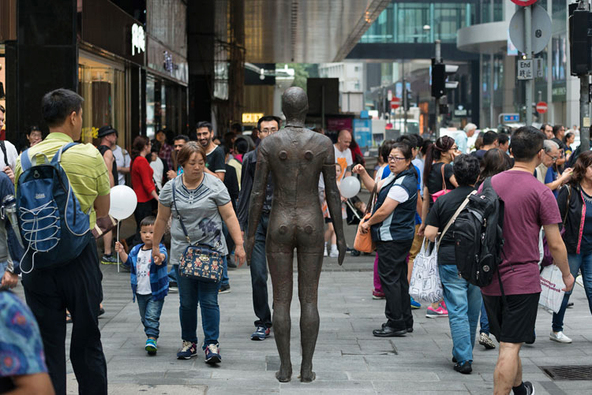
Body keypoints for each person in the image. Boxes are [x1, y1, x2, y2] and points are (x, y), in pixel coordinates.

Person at [245, 87, 346, 382]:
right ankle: (306, 368)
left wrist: (250, 236)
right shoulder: (323, 143)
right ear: (306, 109)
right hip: (311, 220)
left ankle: (285, 366)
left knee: (280, 300)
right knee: (310, 300)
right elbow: (333, 194)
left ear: (284, 111)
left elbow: (256, 194)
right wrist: (340, 236)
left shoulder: (269, 144)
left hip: (279, 221)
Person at [14, 88, 109, 394]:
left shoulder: (23, 159)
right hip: (79, 257)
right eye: (80, 116)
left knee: (47, 345)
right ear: (72, 116)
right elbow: (103, 210)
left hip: (37, 261)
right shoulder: (88, 153)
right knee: (87, 342)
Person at [481, 126, 574, 395]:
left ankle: (520, 388)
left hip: (489, 277)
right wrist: (567, 275)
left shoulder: (487, 184)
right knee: (509, 346)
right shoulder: (540, 191)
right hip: (522, 280)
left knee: (510, 341)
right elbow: (555, 243)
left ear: (510, 151)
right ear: (540, 154)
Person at [152, 142, 245, 364]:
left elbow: (230, 216)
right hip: (182, 253)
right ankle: (188, 342)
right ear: (182, 163)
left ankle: (211, 344)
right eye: (192, 163)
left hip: (211, 251)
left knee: (209, 300)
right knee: (186, 301)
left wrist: (239, 245)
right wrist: (155, 245)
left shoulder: (215, 185)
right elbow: (162, 219)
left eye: (201, 163)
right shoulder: (170, 188)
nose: (197, 167)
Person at [425, 154, 482, 374]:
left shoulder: (444, 200)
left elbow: (430, 234)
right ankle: (463, 351)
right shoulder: (485, 198)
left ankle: (463, 357)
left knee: (457, 309)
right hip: (477, 261)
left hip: (450, 260)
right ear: (478, 175)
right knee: (472, 310)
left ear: (454, 176)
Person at [354, 142, 418, 337]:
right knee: (398, 279)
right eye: (390, 157)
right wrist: (363, 173)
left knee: (390, 279)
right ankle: (405, 320)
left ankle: (395, 322)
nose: (392, 161)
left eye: (397, 158)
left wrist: (368, 223)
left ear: (408, 161)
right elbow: (375, 187)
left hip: (393, 237)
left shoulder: (404, 183)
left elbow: (384, 210)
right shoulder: (396, 176)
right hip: (398, 236)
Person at [237, 115, 280, 340]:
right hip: (257, 222)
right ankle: (263, 320)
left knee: (280, 276)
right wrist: (240, 228)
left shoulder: (288, 158)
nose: (270, 134)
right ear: (258, 134)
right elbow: (244, 193)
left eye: (274, 130)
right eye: (266, 130)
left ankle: (280, 317)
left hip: (280, 222)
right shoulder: (250, 159)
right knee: (258, 275)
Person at [552, 151, 592, 344]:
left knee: (591, 289)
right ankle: (556, 329)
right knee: (566, 288)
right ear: (583, 169)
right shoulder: (569, 191)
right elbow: (557, 220)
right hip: (572, 248)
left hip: (591, 250)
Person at [114, 216, 169, 356]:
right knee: (144, 317)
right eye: (144, 232)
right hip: (139, 291)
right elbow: (128, 263)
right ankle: (150, 335)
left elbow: (163, 257)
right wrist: (121, 252)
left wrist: (159, 258)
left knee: (152, 316)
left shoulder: (160, 248)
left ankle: (152, 338)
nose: (148, 235)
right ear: (140, 233)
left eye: (151, 232)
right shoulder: (136, 250)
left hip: (155, 291)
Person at [419, 135, 458, 318]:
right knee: (444, 261)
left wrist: (424, 222)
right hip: (447, 218)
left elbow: (426, 198)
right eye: (453, 149)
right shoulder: (448, 168)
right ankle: (437, 304)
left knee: (436, 260)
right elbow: (462, 188)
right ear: (444, 151)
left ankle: (437, 302)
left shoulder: (430, 169)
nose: (455, 152)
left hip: (434, 217)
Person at [96, 126, 118, 264]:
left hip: (99, 190)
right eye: (113, 135)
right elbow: (108, 172)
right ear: (107, 137)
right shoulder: (108, 152)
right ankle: (108, 253)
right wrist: (112, 190)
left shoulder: (98, 151)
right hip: (106, 191)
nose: (115, 137)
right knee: (107, 221)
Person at [131, 136, 159, 244]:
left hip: (138, 199)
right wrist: (158, 198)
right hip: (143, 199)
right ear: (145, 146)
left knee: (141, 228)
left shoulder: (135, 160)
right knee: (144, 230)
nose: (151, 146)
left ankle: (134, 250)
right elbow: (147, 183)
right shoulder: (141, 161)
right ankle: (135, 253)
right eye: (150, 144)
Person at [0, 106, 18, 182]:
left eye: (2, 120)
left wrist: (13, 179)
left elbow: (20, 181)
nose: (1, 124)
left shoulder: (8, 148)